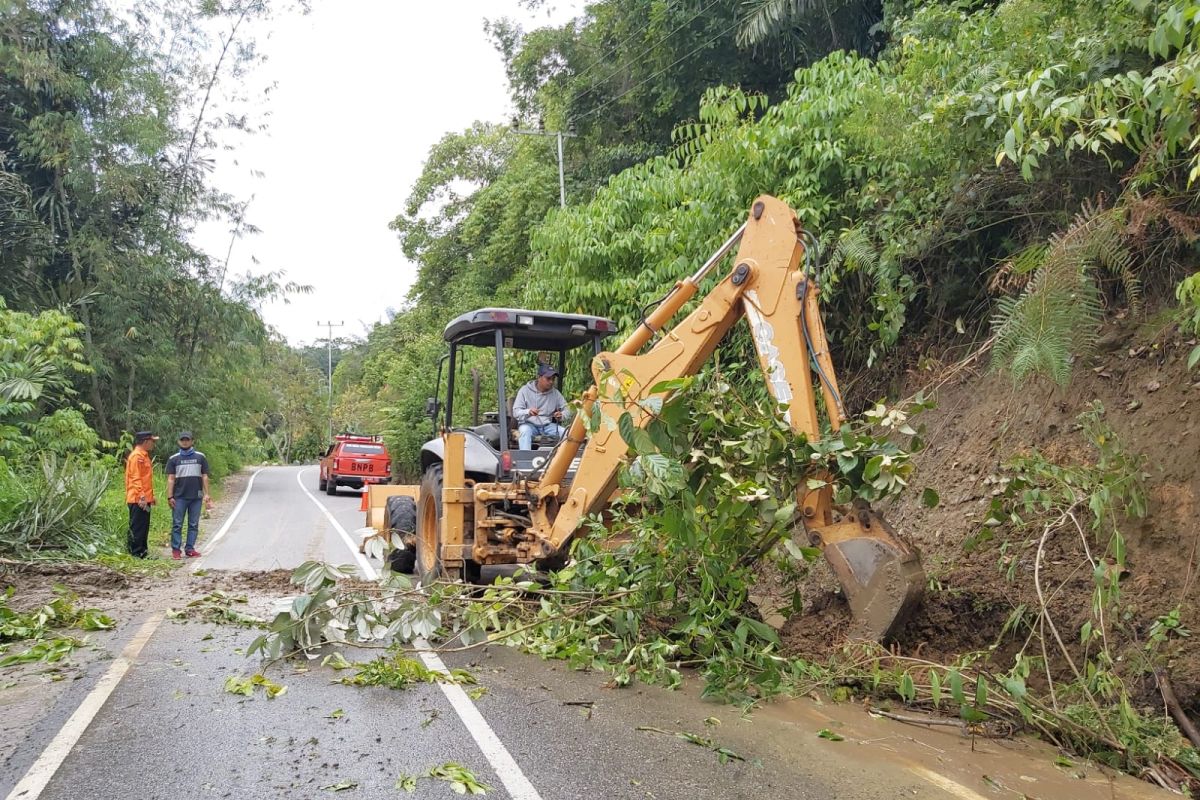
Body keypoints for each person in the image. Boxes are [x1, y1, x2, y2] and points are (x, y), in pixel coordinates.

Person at [165, 431, 212, 559]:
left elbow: (205, 476)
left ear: (192, 441)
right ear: (179, 442)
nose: (185, 442)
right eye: (182, 440)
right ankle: (176, 550)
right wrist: (170, 496)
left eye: (187, 439)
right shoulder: (173, 459)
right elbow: (171, 478)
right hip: (179, 497)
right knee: (177, 523)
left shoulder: (200, 457)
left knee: (193, 524)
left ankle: (190, 548)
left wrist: (207, 494)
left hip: (196, 497)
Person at [513, 364, 568, 450]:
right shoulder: (525, 390)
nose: (551, 382)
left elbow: (567, 409)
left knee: (566, 433)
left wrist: (562, 415)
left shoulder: (555, 393)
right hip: (529, 425)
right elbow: (516, 412)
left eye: (553, 379)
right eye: (548, 378)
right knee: (524, 431)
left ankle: (564, 460)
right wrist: (528, 412)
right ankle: (525, 460)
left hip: (547, 426)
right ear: (539, 377)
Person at [125, 431, 159, 558]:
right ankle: (136, 553)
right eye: (152, 441)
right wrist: (142, 497)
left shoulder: (144, 455)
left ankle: (143, 552)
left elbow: (145, 479)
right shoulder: (136, 457)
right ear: (146, 442)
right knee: (137, 527)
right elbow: (135, 477)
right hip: (137, 499)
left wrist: (151, 496)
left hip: (144, 498)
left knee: (144, 526)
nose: (153, 444)